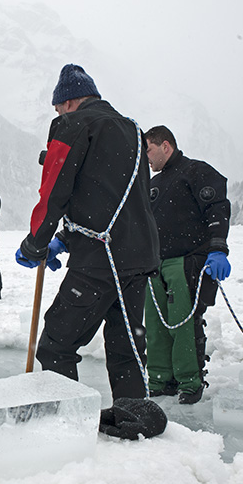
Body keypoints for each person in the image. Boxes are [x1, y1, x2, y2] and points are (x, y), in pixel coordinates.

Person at [16, 64, 161, 404]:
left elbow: (53, 192)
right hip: (138, 256)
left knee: (55, 345)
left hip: (100, 260)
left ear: (68, 102)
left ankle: (66, 422)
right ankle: (134, 415)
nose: (57, 113)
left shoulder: (74, 124)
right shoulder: (133, 130)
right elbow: (113, 197)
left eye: (57, 108)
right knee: (126, 344)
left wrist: (35, 244)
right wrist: (64, 239)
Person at [143, 125, 231, 404]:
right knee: (155, 324)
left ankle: (190, 381)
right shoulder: (153, 184)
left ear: (165, 146)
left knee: (183, 323)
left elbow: (216, 206)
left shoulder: (196, 171)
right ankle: (159, 379)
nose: (146, 157)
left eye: (148, 149)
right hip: (155, 264)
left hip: (187, 261)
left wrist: (218, 248)